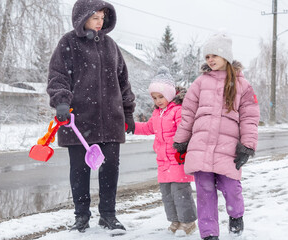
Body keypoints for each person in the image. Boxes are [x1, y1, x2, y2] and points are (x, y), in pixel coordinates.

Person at [46, 0, 136, 233]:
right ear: (82, 17)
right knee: (79, 171)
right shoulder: (68, 43)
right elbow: (57, 76)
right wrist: (61, 102)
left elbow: (123, 82)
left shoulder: (111, 46)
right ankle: (81, 216)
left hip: (111, 120)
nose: (100, 22)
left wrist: (128, 112)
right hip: (78, 120)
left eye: (102, 18)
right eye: (95, 17)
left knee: (110, 170)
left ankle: (108, 215)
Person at [173, 33, 260, 240]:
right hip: (200, 146)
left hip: (227, 148)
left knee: (231, 188)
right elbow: (188, 113)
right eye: (207, 57)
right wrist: (182, 140)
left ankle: (236, 215)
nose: (210, 60)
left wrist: (247, 145)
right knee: (204, 192)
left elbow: (250, 117)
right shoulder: (200, 83)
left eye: (215, 55)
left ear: (226, 56)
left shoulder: (242, 85)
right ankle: (209, 234)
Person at [132, 67, 197, 236]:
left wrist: (182, 147)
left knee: (180, 191)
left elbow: (185, 129)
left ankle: (188, 222)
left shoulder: (177, 110)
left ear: (169, 94)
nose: (158, 100)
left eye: (161, 96)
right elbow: (148, 128)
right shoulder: (157, 113)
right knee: (167, 193)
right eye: (154, 97)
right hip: (163, 161)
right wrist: (131, 126)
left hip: (177, 157)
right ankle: (175, 220)